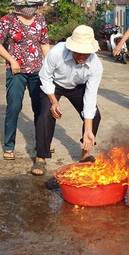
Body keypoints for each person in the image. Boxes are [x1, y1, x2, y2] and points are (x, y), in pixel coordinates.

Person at [31, 25, 103, 176]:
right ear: (71, 47)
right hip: (53, 84)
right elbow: (45, 76)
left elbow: (90, 96)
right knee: (46, 114)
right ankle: (41, 157)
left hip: (77, 86)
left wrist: (88, 130)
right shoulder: (57, 52)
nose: (82, 56)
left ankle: (85, 154)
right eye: (78, 52)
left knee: (95, 116)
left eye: (86, 53)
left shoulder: (96, 65)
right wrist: (53, 101)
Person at [0, 0, 51, 161]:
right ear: (18, 4)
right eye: (27, 3)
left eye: (33, 3)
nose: (31, 7)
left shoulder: (40, 19)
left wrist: (49, 66)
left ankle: (42, 143)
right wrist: (12, 60)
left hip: (37, 71)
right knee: (14, 107)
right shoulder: (8, 20)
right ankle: (9, 146)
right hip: (16, 71)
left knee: (40, 109)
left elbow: (44, 44)